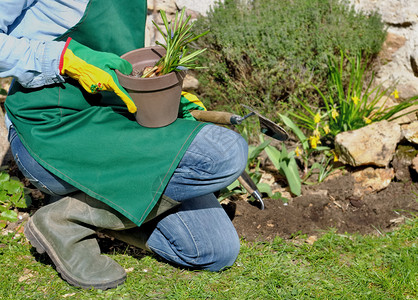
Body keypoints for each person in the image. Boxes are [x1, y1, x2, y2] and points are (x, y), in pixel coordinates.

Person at [0, 0, 248, 290]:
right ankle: (70, 218)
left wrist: (162, 97)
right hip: (53, 123)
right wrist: (61, 60)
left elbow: (121, 62)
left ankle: (77, 208)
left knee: (211, 248)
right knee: (224, 152)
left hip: (116, 115)